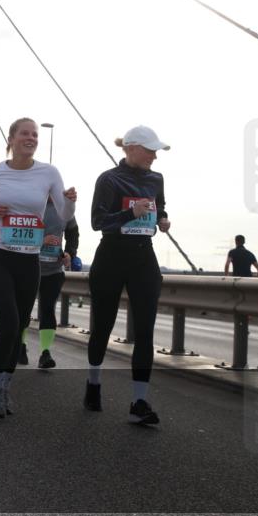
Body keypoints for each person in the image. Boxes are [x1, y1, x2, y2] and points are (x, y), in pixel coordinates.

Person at [0, 117, 76, 419]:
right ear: (11, 139)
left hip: (29, 260)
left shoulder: (49, 172)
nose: (31, 138)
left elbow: (64, 214)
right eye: (25, 134)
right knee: (8, 322)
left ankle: (5, 385)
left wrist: (70, 202)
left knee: (19, 327)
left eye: (35, 135)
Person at [85, 125, 170, 425]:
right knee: (103, 327)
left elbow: (160, 206)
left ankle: (139, 402)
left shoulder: (156, 179)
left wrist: (162, 219)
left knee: (145, 331)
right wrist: (130, 214)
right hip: (111, 256)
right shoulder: (109, 179)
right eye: (150, 151)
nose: (154, 157)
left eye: (156, 151)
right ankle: (93, 383)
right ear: (131, 148)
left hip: (144, 257)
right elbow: (98, 222)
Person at [25, 199, 78, 369]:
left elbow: (73, 233)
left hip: (54, 270)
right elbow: (18, 234)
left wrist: (69, 253)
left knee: (48, 309)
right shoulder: (30, 203)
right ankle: (21, 345)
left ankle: (45, 353)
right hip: (28, 267)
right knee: (24, 309)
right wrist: (41, 241)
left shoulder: (64, 209)